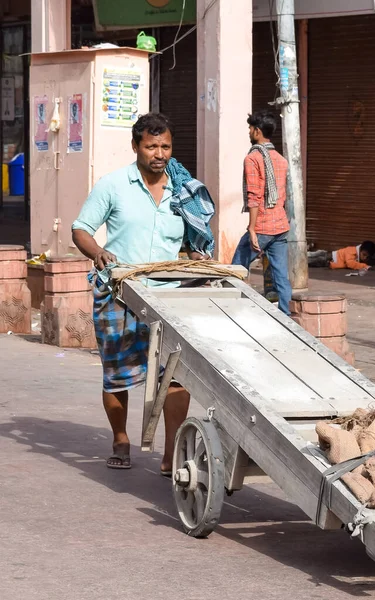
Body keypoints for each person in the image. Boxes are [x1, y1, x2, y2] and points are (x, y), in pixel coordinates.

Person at [72, 113, 206, 474]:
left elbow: (193, 240)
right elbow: (81, 229)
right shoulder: (113, 185)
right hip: (120, 293)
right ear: (136, 147)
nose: (159, 153)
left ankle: (171, 453)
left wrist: (197, 258)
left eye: (165, 146)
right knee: (118, 374)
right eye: (151, 146)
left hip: (169, 295)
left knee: (177, 374)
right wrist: (97, 252)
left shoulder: (184, 190)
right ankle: (120, 437)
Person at [232, 110, 293, 315]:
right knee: (280, 275)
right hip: (281, 226)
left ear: (257, 131)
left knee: (235, 269)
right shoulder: (281, 160)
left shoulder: (253, 158)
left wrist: (252, 228)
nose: (249, 132)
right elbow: (282, 196)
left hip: (263, 226)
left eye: (250, 128)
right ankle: (285, 315)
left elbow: (254, 196)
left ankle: (233, 310)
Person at [308, 241, 375, 271]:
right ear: (360, 250)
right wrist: (364, 266)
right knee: (308, 261)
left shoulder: (356, 255)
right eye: (364, 255)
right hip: (328, 258)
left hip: (328, 260)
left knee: (310, 260)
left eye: (367, 257)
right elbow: (350, 264)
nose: (364, 258)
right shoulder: (352, 251)